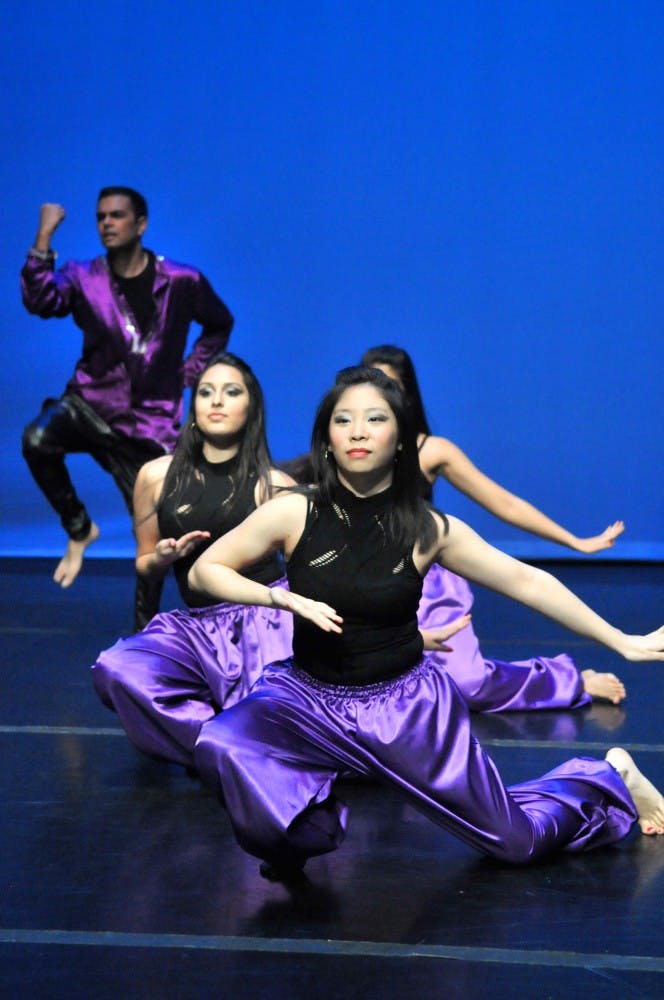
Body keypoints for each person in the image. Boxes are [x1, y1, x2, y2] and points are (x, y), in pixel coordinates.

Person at [188, 366, 664, 883]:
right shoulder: (294, 511)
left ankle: (606, 778)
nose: (359, 431)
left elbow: (528, 582)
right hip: (306, 699)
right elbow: (204, 570)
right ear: (327, 439)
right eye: (344, 420)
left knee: (515, 841)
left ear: (400, 441)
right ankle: (307, 836)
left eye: (375, 419)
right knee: (222, 742)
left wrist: (624, 641)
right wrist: (280, 601)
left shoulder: (430, 529)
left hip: (403, 711)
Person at [354, 344, 627, 711]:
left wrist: (575, 542)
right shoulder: (345, 450)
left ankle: (569, 680)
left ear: (407, 393)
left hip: (426, 583)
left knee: (468, 685)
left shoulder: (432, 450)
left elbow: (505, 503)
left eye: (390, 385)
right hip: (363, 579)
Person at [21, 186, 234, 628]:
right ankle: (80, 528)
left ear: (141, 224)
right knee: (37, 438)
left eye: (117, 216)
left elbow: (219, 323)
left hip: (149, 427)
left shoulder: (181, 280)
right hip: (91, 405)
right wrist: (44, 235)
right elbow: (41, 301)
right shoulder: (84, 277)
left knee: (157, 539)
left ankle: (146, 637)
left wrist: (188, 374)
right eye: (101, 217)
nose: (106, 224)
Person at [91, 352, 294, 769]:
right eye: (206, 392)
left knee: (272, 733)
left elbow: (313, 577)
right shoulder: (155, 476)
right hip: (199, 626)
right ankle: (216, 746)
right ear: (192, 406)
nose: (216, 401)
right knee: (115, 669)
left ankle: (240, 741)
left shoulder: (277, 486)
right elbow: (143, 563)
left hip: (266, 625)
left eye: (231, 392)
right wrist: (162, 557)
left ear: (251, 406)